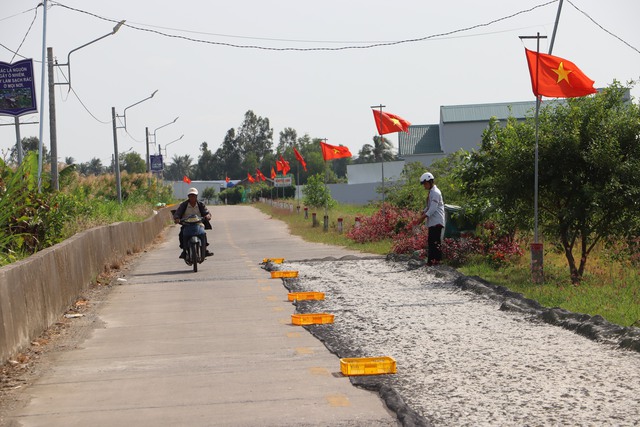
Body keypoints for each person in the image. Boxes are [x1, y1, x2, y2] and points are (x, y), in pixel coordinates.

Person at [173, 188, 213, 259]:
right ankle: (184, 251)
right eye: (190, 196)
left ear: (196, 196)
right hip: (187, 224)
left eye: (194, 196)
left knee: (203, 233)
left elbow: (206, 212)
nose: (192, 197)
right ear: (188, 197)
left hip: (198, 224)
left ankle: (205, 250)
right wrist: (177, 218)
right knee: (182, 234)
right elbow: (178, 213)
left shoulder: (201, 204)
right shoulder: (183, 205)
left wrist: (207, 216)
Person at [415, 172, 445, 266]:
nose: (424, 186)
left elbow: (433, 208)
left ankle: (436, 261)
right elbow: (429, 206)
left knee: (435, 241)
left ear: (430, 182)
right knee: (431, 241)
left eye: (425, 184)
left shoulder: (436, 192)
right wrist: (424, 211)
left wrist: (423, 217)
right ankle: (432, 261)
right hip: (433, 221)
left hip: (437, 221)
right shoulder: (431, 192)